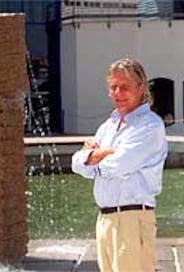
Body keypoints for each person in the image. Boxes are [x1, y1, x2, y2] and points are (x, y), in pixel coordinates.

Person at [71, 58, 168, 272]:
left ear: (141, 88)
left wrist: (91, 157)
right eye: (113, 87)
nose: (118, 93)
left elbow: (118, 166)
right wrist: (100, 154)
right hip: (105, 219)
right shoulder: (108, 126)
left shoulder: (149, 125)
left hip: (131, 221)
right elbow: (76, 163)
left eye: (124, 87)